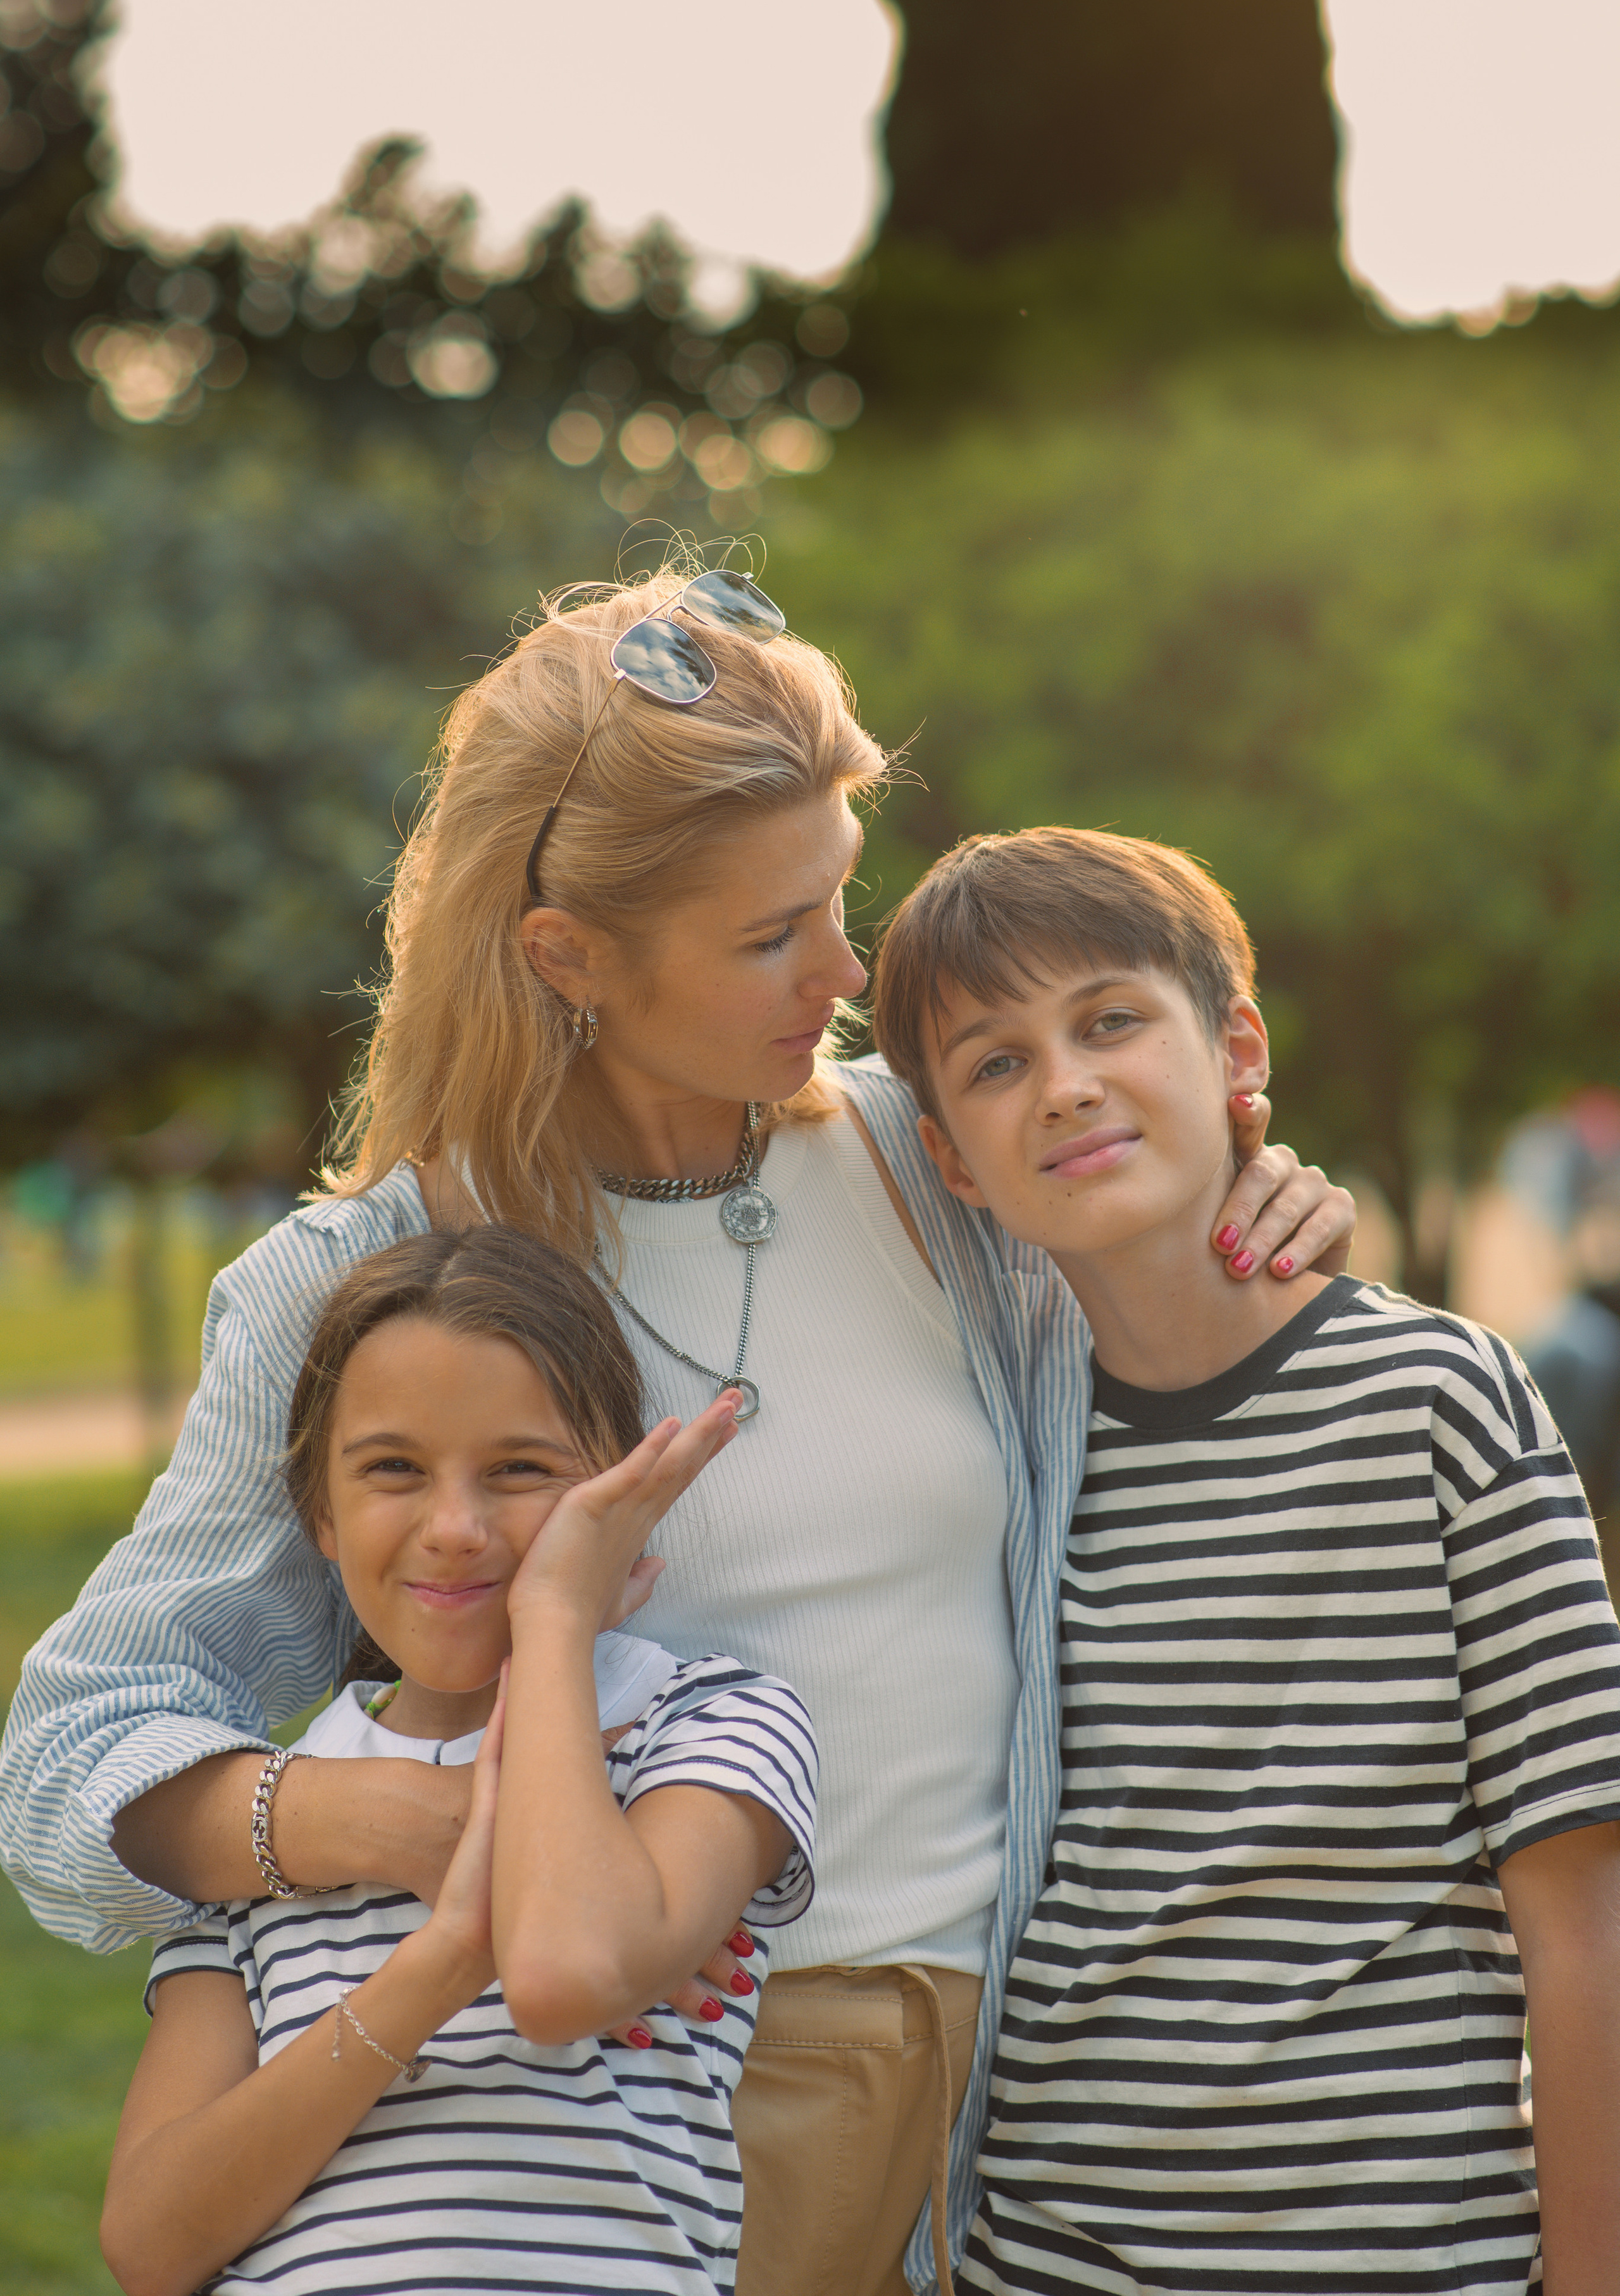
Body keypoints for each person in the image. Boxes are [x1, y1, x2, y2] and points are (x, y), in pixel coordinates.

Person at [0, 567, 1355, 2296]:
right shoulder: (371, 1271)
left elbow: (1173, 1264)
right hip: (624, 2135)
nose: (847, 969)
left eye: (836, 901)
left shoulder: (928, 1160)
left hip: (1012, 2092)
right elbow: (71, 1754)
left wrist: (1279, 1203)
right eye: (769, 934)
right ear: (570, 955)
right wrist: (391, 1828)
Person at [871, 824, 1620, 2295]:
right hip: (1049, 2256)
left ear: (1235, 1052)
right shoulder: (998, 1460)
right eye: (996, 1061)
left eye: (1107, 1022)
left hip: (1411, 2260)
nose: (1066, 1082)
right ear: (950, 1158)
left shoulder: (1439, 1403)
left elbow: (1583, 1912)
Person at [103, 1225, 816, 2296]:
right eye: (394, 1468)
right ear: (321, 1514)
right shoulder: (259, 1816)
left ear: (616, 1492)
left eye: (519, 1469)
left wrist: (556, 1618)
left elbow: (564, 1974)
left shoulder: (706, 1726)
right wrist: (440, 1957)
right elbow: (151, 2245)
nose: (456, 1526)